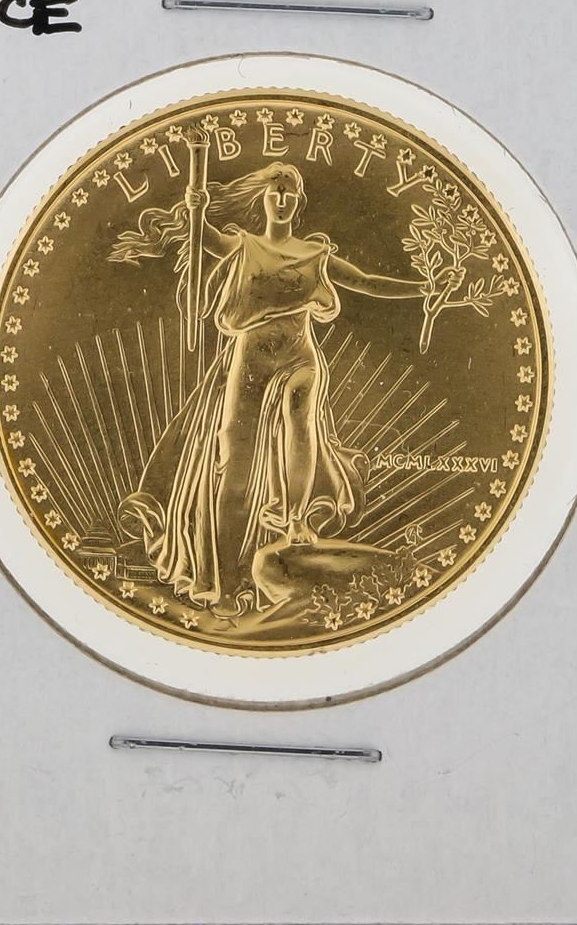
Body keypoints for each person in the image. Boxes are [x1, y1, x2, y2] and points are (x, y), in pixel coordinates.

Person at [111, 162, 426, 615]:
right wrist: (195, 209)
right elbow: (207, 239)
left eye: (288, 194)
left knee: (302, 424)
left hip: (300, 357)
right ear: (264, 199)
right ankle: (224, 579)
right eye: (274, 192)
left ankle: (295, 520)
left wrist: (425, 288)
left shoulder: (315, 255)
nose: (281, 200)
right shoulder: (245, 245)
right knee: (234, 459)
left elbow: (367, 282)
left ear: (298, 202)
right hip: (251, 360)